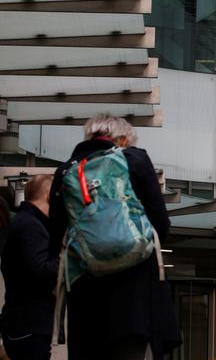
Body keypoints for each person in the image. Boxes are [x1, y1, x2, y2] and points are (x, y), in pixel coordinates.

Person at [48, 115, 180, 359]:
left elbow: (55, 235)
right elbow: (160, 223)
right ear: (122, 139)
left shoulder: (66, 171)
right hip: (134, 290)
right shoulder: (135, 159)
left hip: (86, 290)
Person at [0, 175, 59, 360]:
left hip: (24, 325)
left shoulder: (25, 222)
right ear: (49, 196)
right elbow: (41, 270)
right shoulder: (31, 226)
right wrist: (67, 260)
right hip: (29, 325)